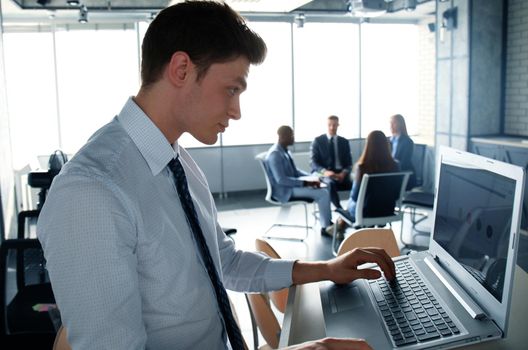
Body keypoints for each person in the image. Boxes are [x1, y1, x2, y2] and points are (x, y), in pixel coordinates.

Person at [37, 2, 395, 349]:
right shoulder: (92, 192)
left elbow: (226, 263)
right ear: (181, 70)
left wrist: (326, 269)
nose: (236, 111)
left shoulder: (178, 161)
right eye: (232, 89)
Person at [266, 125, 334, 237]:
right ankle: (326, 227)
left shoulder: (284, 151)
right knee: (323, 193)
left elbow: (295, 172)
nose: (293, 138)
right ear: (282, 136)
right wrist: (306, 183)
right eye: (291, 135)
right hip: (285, 190)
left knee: (325, 185)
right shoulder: (275, 154)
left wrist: (312, 177)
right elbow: (281, 180)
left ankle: (327, 221)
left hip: (290, 186)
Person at [337, 130, 400, 233]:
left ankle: (340, 226)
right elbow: (396, 194)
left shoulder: (362, 168)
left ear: (368, 145)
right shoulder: (396, 165)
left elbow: (355, 196)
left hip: (366, 212)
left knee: (350, 202)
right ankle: (340, 225)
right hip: (388, 210)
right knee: (353, 204)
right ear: (386, 144)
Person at [310, 115, 352, 209]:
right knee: (330, 183)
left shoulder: (344, 142)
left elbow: (349, 163)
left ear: (338, 125)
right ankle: (340, 210)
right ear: (326, 125)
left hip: (341, 174)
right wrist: (325, 172)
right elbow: (313, 163)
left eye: (334, 125)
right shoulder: (318, 141)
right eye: (329, 125)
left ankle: (355, 210)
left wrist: (343, 173)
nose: (332, 128)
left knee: (360, 183)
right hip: (325, 174)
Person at [389, 114, 416, 189]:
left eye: (393, 123)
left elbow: (404, 163)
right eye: (390, 123)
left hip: (403, 174)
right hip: (391, 172)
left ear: (400, 124)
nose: (391, 126)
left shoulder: (407, 142)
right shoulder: (389, 141)